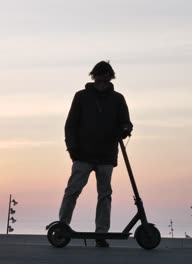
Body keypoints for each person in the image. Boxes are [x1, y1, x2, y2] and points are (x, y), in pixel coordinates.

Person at [58, 61, 133, 248]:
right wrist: (72, 149)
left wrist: (125, 129)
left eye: (106, 75)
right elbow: (70, 125)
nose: (102, 79)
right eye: (99, 75)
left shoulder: (118, 99)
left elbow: (126, 122)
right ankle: (62, 226)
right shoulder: (81, 97)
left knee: (105, 194)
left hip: (106, 156)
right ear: (94, 76)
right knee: (73, 190)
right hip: (82, 155)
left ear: (110, 77)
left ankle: (101, 234)